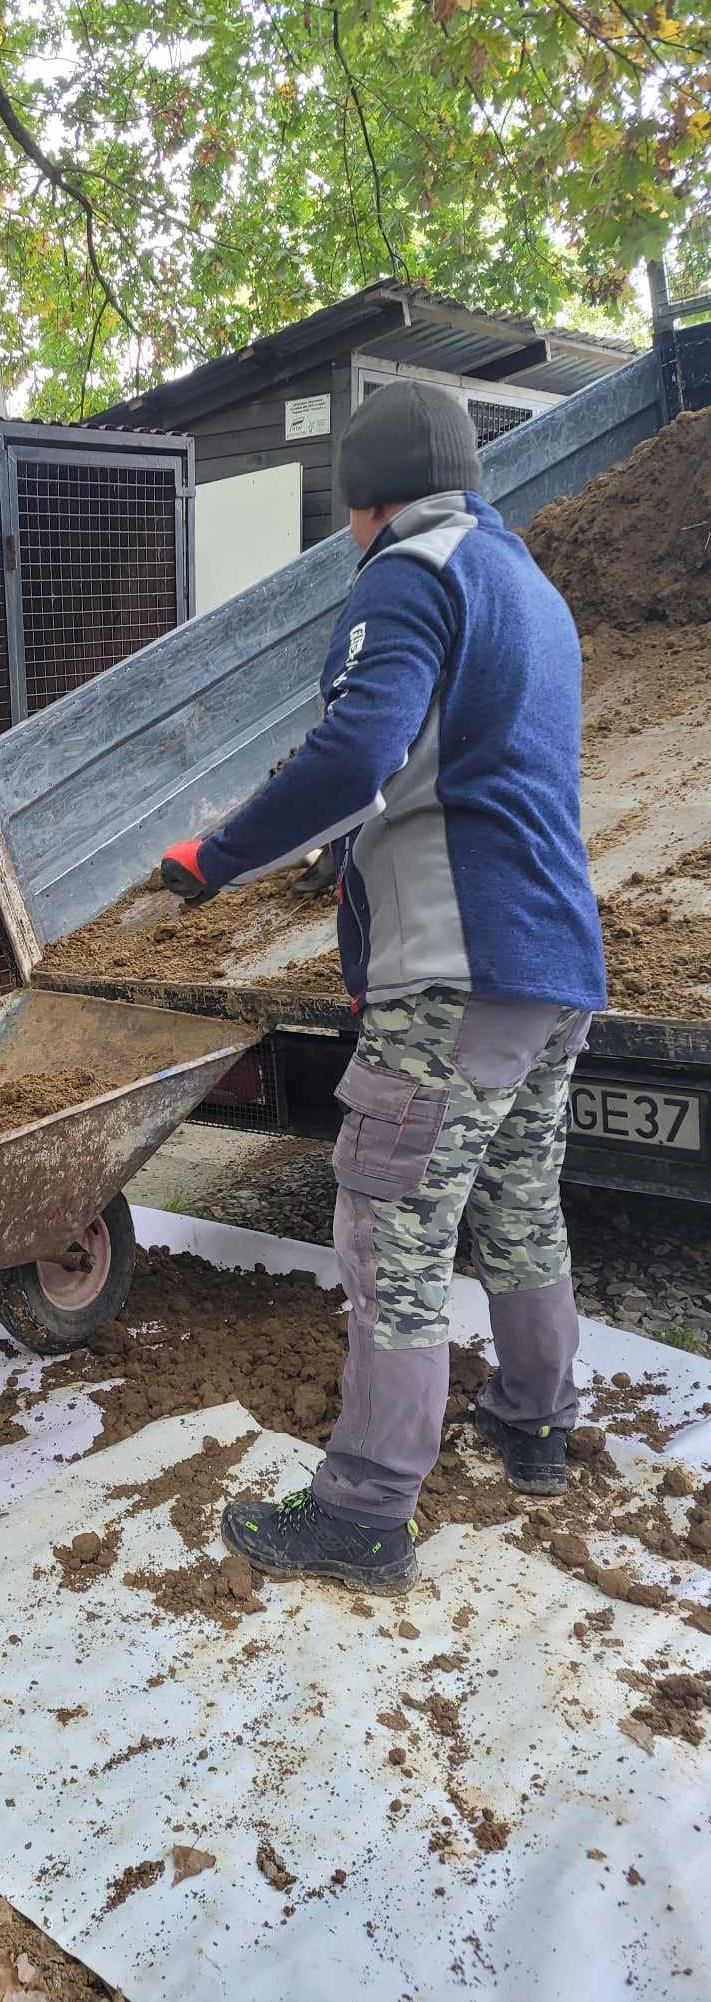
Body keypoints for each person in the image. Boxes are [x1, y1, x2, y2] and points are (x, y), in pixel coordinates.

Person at [157, 380, 606, 1595]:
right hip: (553, 962)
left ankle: (363, 1511)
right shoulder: (529, 586)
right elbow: (459, 766)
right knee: (518, 1197)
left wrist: (217, 856)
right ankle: (533, 1422)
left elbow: (359, 752)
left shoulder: (407, 572)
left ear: (362, 504)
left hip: (455, 966)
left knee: (389, 1223)